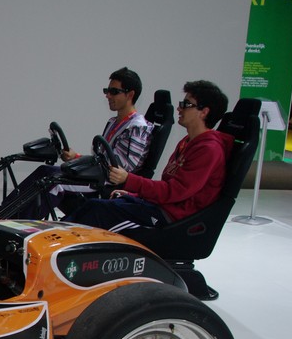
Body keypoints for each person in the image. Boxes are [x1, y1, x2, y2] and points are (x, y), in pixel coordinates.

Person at [64, 80, 232, 232]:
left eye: (186, 104)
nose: (179, 108)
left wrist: (129, 180)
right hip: (161, 207)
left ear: (204, 112)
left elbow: (173, 191)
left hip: (172, 219)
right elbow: (168, 188)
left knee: (98, 211)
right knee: (92, 205)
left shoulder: (208, 150)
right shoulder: (187, 142)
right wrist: (133, 195)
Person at [0, 67, 152, 218]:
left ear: (130, 94)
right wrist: (76, 158)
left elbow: (122, 169)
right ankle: (1, 211)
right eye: (107, 91)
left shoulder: (137, 127)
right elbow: (103, 160)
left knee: (53, 182)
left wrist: (80, 165)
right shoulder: (114, 122)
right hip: (99, 176)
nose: (108, 96)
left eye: (114, 92)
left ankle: (11, 219)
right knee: (44, 170)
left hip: (107, 183)